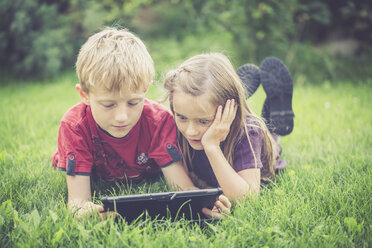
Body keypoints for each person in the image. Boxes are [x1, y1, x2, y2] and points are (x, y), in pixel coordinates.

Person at [51, 28, 230, 219]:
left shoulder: (159, 121)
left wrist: (207, 204)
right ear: (84, 95)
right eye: (108, 104)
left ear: (145, 89)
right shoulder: (74, 126)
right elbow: (78, 202)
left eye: (133, 103)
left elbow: (183, 188)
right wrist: (88, 213)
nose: (122, 116)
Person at [163, 53, 294, 201]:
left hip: (261, 147)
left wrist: (212, 147)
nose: (191, 131)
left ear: (229, 112)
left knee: (270, 137)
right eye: (182, 117)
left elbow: (247, 198)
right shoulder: (173, 126)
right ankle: (235, 95)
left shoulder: (248, 132)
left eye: (204, 121)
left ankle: (276, 108)